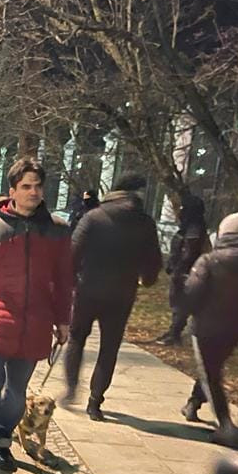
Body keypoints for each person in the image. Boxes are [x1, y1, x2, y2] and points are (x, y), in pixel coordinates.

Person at [0, 157, 74, 474]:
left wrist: (64, 321)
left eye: (38, 186)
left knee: (17, 395)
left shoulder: (57, 231)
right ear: (12, 191)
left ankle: (2, 440)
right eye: (26, 186)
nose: (33, 192)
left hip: (36, 325)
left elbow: (65, 281)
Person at [63, 173, 162, 420]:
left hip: (88, 290)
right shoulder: (145, 223)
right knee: (110, 348)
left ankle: (72, 388)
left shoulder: (93, 218)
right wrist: (146, 279)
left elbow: (72, 255)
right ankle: (95, 401)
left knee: (76, 339)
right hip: (122, 294)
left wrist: (72, 281)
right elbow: (153, 264)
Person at [180, 213, 238, 447]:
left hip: (205, 327)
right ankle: (193, 403)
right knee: (212, 368)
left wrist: (182, 304)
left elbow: (191, 296)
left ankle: (225, 425)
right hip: (234, 327)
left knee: (211, 375)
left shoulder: (209, 261)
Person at [158, 192, 209, 346]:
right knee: (178, 304)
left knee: (181, 304)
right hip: (182, 270)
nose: (178, 212)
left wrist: (178, 269)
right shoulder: (189, 227)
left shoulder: (194, 229)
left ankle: (175, 333)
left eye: (182, 208)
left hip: (186, 273)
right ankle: (173, 331)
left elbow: (189, 252)